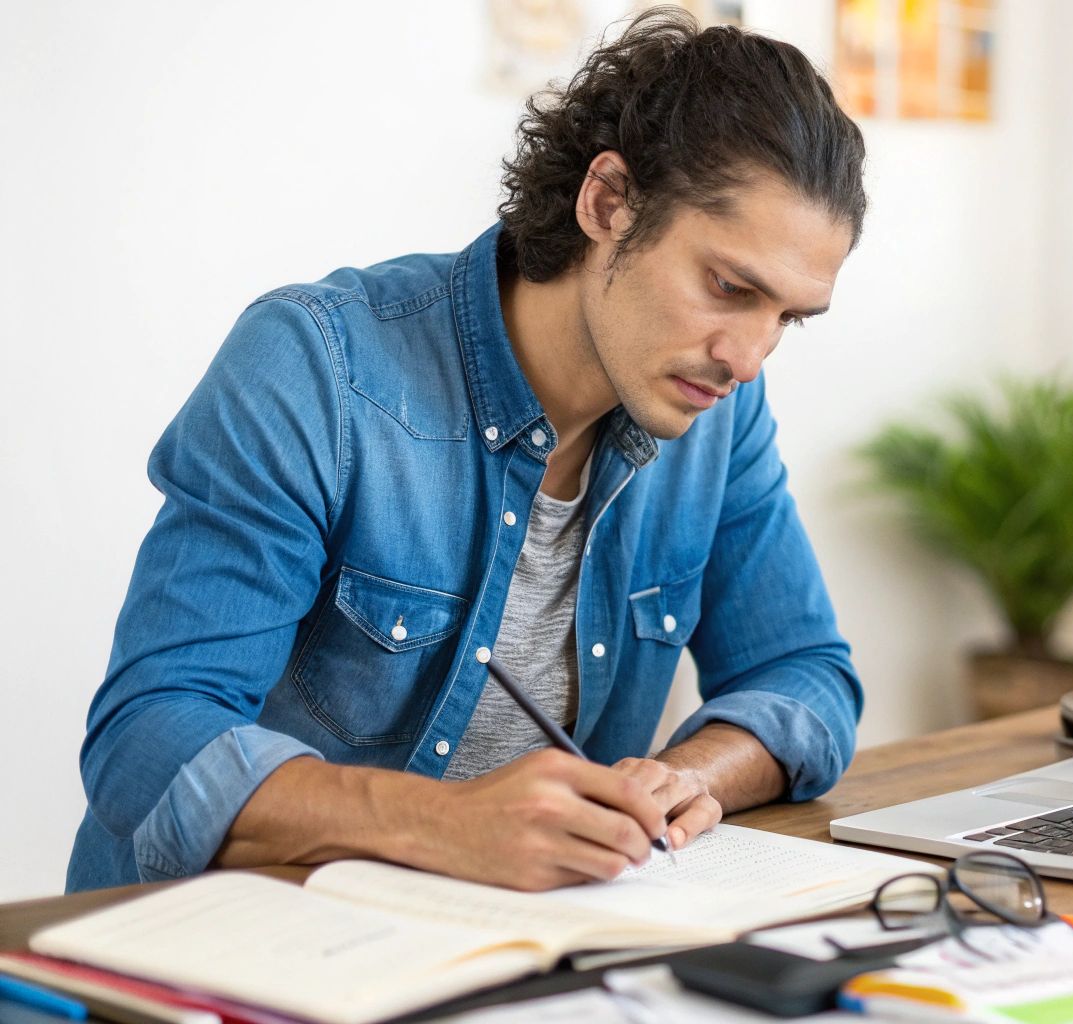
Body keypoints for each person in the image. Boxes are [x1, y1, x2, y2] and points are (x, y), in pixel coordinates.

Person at [67, 7, 867, 893]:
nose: (748, 359)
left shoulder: (716, 414)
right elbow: (149, 741)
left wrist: (686, 777)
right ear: (608, 202)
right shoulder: (316, 368)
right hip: (224, 939)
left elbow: (804, 676)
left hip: (521, 942)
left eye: (787, 318)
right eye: (727, 286)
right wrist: (446, 823)